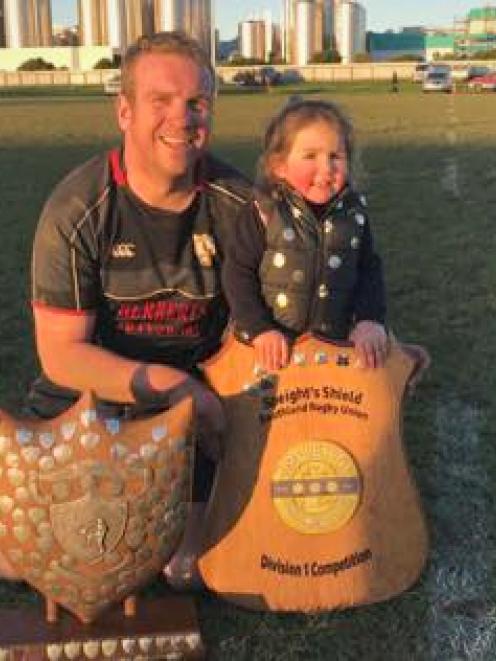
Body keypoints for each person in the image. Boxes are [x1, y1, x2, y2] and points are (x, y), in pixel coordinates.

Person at [10, 31, 251, 584]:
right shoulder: (77, 209)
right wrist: (179, 388)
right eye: (160, 101)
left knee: (185, 569)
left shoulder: (239, 205)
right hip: (94, 400)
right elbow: (64, 358)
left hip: (194, 417)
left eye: (196, 103)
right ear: (124, 111)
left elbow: (272, 318)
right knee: (23, 553)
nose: (182, 118)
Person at [222, 97, 388, 372]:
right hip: (269, 354)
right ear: (279, 166)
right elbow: (237, 275)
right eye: (310, 156)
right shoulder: (263, 212)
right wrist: (259, 329)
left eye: (335, 156)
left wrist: (369, 320)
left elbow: (369, 272)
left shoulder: (354, 215)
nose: (326, 168)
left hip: (332, 352)